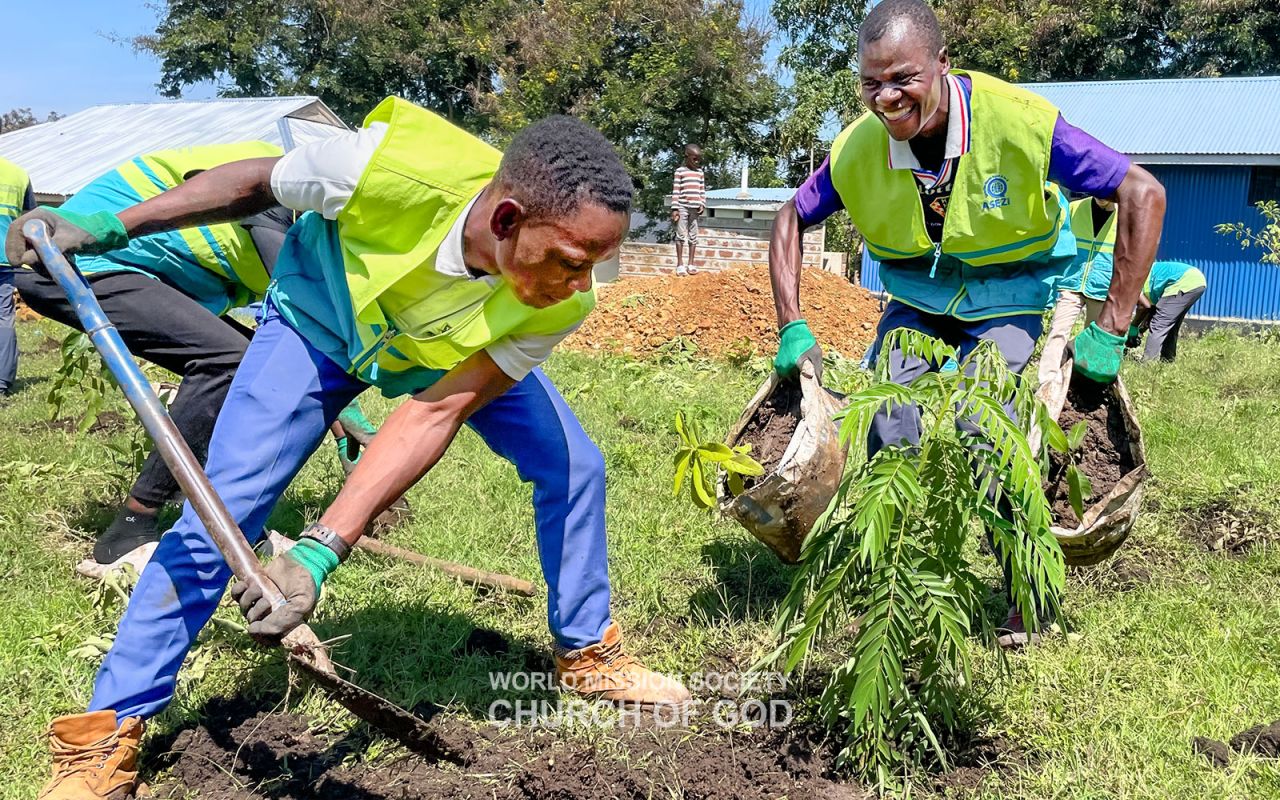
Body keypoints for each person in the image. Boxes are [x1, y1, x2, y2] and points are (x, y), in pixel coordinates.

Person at [10, 100, 690, 800]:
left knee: (574, 466)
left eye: (594, 266)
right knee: (223, 511)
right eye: (571, 263)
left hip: (442, 356)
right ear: (507, 220)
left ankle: (587, 650)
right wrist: (113, 225)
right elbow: (256, 181)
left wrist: (320, 548)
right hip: (319, 323)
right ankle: (104, 735)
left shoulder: (561, 303)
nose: (581, 287)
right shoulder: (381, 168)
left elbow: (437, 410)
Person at [767, 0, 1165, 648]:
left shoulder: (1020, 122)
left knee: (987, 430)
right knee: (889, 423)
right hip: (918, 300)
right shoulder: (860, 148)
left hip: (1007, 293)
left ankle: (1026, 591)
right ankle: (890, 587)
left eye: (903, 78)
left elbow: (1142, 193)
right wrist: (791, 324)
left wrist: (1111, 327)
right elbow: (789, 218)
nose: (886, 98)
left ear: (943, 64)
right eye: (871, 83)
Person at [3, 142, 294, 575]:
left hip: (132, 267)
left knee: (255, 366)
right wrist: (343, 412)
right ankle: (129, 533)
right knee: (231, 362)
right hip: (75, 255)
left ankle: (229, 519)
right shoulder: (291, 181)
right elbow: (294, 302)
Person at [1038, 196, 1117, 387]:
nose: (1101, 196)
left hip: (1100, 287)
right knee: (1058, 331)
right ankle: (1047, 383)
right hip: (1071, 282)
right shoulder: (1073, 208)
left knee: (1092, 340)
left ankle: (1081, 384)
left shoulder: (1123, 215)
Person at [0, 155, 37, 396]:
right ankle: (1, 382)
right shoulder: (18, 174)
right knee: (3, 318)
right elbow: (31, 219)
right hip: (5, 256)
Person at [1129, 260, 1206, 362]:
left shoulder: (1131, 281)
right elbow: (1152, 311)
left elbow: (1144, 306)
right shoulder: (1144, 272)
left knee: (1159, 324)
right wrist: (1139, 331)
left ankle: (1148, 362)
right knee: (1170, 324)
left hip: (1184, 282)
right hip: (1196, 281)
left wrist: (1133, 328)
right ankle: (1167, 360)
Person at [671, 143, 705, 276]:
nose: (697, 162)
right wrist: (675, 208)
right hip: (683, 207)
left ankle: (691, 264)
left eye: (698, 159)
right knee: (680, 235)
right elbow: (676, 190)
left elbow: (702, 190)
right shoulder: (680, 171)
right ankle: (680, 265)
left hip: (695, 209)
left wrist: (702, 203)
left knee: (693, 236)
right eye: (694, 159)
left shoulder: (700, 173)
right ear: (687, 156)